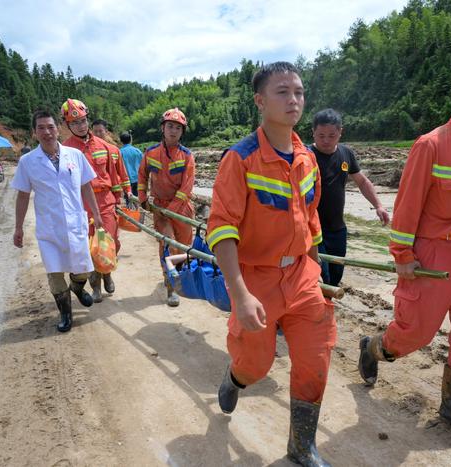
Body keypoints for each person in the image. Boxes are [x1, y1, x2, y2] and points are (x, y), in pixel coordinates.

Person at [358, 66, 451, 444]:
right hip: (432, 254)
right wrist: (402, 253)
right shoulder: (430, 145)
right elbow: (407, 207)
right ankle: (373, 347)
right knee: (413, 334)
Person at [206, 62, 335, 467]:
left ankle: (301, 446)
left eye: (298, 91)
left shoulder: (307, 158)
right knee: (256, 365)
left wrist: (318, 272)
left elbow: (311, 220)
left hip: (300, 274)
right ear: (261, 101)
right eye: (282, 92)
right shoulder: (240, 159)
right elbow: (222, 228)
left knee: (316, 357)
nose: (293, 99)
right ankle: (234, 377)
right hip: (256, 279)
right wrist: (239, 295)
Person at [11, 109, 102, 333]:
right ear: (34, 133)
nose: (47, 132)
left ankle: (78, 288)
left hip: (75, 223)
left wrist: (97, 215)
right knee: (54, 273)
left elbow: (86, 186)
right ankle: (65, 314)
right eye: (41, 128)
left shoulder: (75, 156)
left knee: (81, 269)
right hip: (49, 228)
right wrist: (18, 227)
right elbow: (22, 195)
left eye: (50, 127)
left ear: (58, 129)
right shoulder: (28, 161)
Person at [310, 108, 389, 286]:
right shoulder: (306, 156)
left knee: (336, 275)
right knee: (321, 277)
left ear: (340, 132)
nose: (326, 141)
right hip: (313, 230)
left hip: (338, 229)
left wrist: (378, 205)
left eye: (331, 135)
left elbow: (362, 182)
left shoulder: (346, 154)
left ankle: (327, 307)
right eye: (321, 135)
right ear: (313, 132)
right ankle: (322, 310)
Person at [62, 99, 131, 303]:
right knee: (89, 248)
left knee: (110, 244)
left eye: (83, 121)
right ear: (67, 125)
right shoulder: (65, 150)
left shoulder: (104, 147)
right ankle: (96, 285)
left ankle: (107, 273)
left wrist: (118, 200)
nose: (80, 126)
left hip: (106, 202)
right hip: (81, 205)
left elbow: (114, 176)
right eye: (75, 123)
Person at [137, 108, 195, 307]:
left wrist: (173, 208)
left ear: (182, 132)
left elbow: (186, 187)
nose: (173, 131)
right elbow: (142, 176)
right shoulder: (151, 153)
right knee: (167, 244)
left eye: (178, 128)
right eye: (170, 126)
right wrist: (143, 198)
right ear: (162, 128)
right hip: (160, 210)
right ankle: (171, 285)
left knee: (184, 247)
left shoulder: (187, 156)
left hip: (182, 209)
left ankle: (180, 276)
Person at [119, 132, 143, 196]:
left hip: (126, 180)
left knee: (129, 199)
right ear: (130, 140)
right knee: (137, 198)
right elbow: (143, 165)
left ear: (121, 141)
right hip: (138, 178)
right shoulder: (137, 151)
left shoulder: (120, 152)